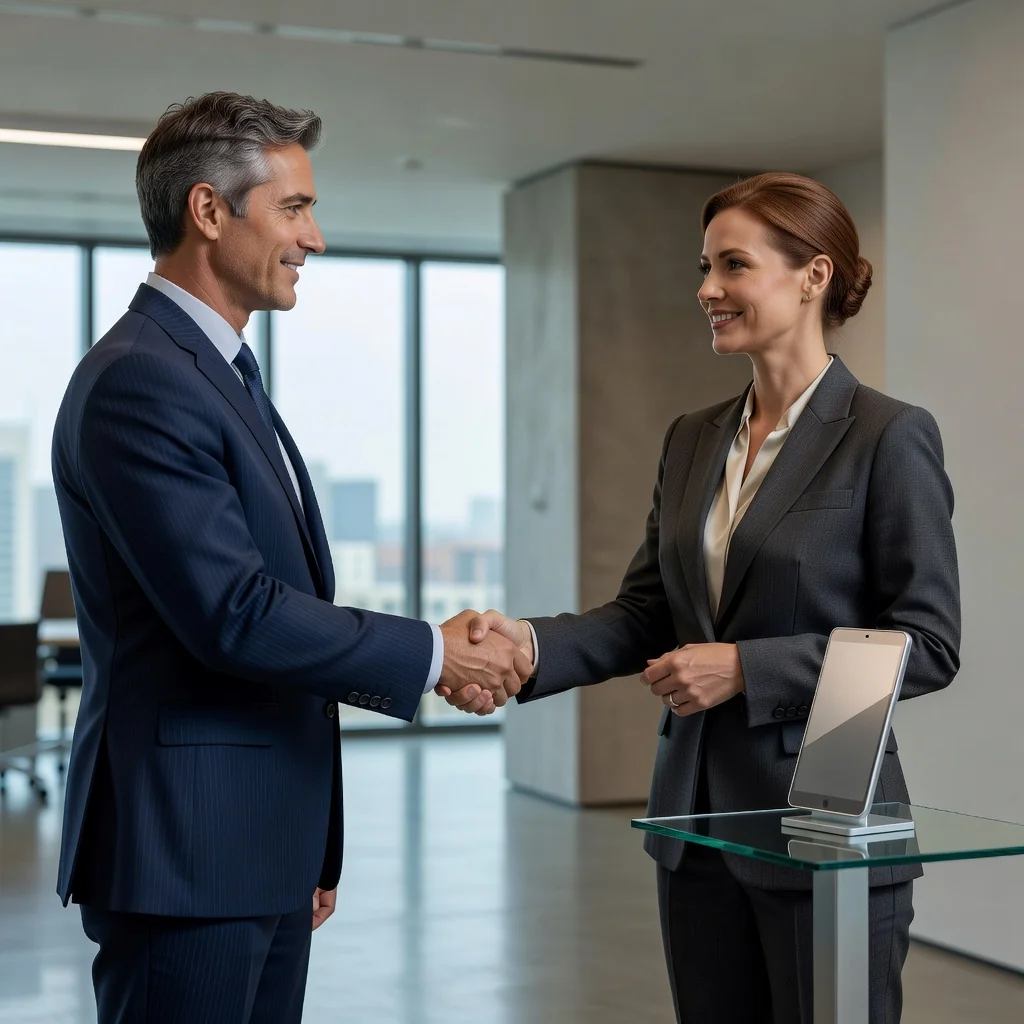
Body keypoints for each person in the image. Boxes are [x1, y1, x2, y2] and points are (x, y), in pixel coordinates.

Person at [52, 91, 527, 1024]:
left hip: (254, 847)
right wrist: (435, 654)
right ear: (209, 210)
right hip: (185, 853)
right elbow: (237, 612)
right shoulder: (143, 380)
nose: (316, 238)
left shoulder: (216, 373)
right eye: (296, 208)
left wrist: (307, 850)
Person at [440, 172, 961, 1022]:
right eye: (704, 268)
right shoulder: (693, 438)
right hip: (695, 825)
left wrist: (746, 669)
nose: (706, 290)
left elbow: (928, 642)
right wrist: (526, 647)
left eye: (732, 266)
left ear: (813, 276)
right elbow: (649, 611)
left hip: (825, 818)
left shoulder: (889, 436)